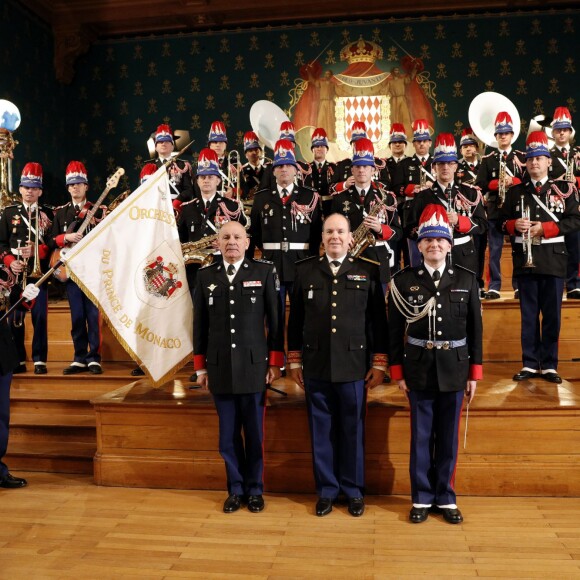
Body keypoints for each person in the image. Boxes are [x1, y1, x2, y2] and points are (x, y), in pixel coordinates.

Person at [287, 213, 387, 517]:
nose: (335, 237)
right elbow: (296, 323)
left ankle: (353, 490)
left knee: (352, 432)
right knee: (321, 431)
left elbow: (378, 323)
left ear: (350, 238)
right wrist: (294, 360)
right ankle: (327, 491)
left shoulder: (367, 271)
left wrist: (379, 363)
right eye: (329, 231)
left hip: (354, 367)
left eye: (340, 232)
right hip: (316, 365)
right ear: (322, 237)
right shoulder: (305, 272)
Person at [388, 204, 482, 525]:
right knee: (421, 436)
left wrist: (475, 373)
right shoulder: (403, 281)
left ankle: (446, 496)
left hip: (455, 368)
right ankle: (422, 497)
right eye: (428, 240)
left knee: (448, 437)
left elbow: (475, 330)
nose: (434, 246)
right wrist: (397, 371)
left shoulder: (466, 280)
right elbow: (393, 332)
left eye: (441, 240)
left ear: (450, 244)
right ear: (419, 245)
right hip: (418, 368)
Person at [193, 221, 284, 513]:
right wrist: (200, 368)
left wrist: (275, 362)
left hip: (254, 367)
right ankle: (235, 488)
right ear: (217, 244)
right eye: (226, 237)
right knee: (228, 435)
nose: (231, 242)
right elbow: (199, 326)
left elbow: (276, 321)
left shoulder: (264, 271)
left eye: (237, 237)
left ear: (247, 242)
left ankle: (255, 489)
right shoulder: (206, 276)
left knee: (254, 434)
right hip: (219, 368)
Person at [499, 131, 580, 384]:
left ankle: (550, 364)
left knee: (553, 315)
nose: (534, 163)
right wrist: (514, 225)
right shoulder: (515, 192)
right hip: (525, 260)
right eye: (531, 159)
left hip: (553, 260)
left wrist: (544, 229)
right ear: (526, 163)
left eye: (540, 158)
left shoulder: (565, 189)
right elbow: (500, 223)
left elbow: (575, 219)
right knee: (529, 314)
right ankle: (530, 363)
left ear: (548, 162)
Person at [49, 161, 106, 375]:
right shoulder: (60, 213)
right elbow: (50, 240)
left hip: (91, 271)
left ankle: (94, 358)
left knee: (93, 315)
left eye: (79, 184)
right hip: (71, 272)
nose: (76, 188)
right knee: (77, 316)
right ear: (68, 188)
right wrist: (65, 237)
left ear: (86, 186)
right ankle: (79, 357)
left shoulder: (98, 210)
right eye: (72, 185)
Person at [250, 139, 322, 307]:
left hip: (301, 263)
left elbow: (316, 232)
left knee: (300, 315)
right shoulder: (261, 198)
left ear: (296, 170)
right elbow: (255, 233)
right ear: (273, 171)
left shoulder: (309, 196)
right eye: (279, 166)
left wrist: (311, 262)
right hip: (270, 264)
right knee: (274, 317)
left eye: (288, 166)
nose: (284, 169)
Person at [406, 133, 487, 275]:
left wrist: (459, 221)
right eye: (441, 163)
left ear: (456, 166)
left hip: (463, 257)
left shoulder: (470, 193)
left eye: (450, 163)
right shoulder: (422, 196)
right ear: (434, 167)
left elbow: (482, 225)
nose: (445, 167)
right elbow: (409, 229)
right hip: (433, 257)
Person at [0, 162, 52, 374]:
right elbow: (1, 243)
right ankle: (19, 359)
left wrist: (37, 252)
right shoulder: (8, 212)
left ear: (40, 190)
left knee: (40, 316)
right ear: (20, 189)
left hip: (38, 275)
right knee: (15, 318)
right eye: (26, 187)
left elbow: (52, 244)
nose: (29, 191)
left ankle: (40, 360)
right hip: (15, 274)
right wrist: (10, 261)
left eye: (34, 188)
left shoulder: (48, 213)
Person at [329, 137, 402, 287]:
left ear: (373, 170)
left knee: (378, 308)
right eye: (358, 166)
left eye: (366, 166)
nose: (361, 170)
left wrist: (381, 228)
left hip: (378, 260)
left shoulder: (386, 197)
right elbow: (330, 230)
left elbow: (399, 232)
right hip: (350, 259)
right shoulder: (339, 199)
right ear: (352, 170)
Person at [475, 112, 525, 299]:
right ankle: (494, 285)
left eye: (506, 133)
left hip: (516, 209)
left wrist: (513, 180)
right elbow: (480, 184)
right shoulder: (488, 160)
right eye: (499, 134)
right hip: (496, 209)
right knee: (494, 250)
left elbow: (528, 181)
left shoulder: (521, 157)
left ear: (512, 135)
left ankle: (519, 285)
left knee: (518, 248)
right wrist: (498, 183)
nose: (503, 136)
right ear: (495, 137)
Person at [0, 262, 39, 488]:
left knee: (1, 416)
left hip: (1, 352)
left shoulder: (4, 270)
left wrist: (26, 296)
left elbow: (18, 303)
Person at [547, 107, 580, 299]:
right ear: (553, 133)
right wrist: (559, 180)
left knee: (575, 246)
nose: (561, 133)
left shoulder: (577, 153)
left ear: (570, 132)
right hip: (556, 207)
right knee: (557, 246)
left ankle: (574, 283)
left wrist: (574, 181)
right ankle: (559, 282)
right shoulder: (548, 155)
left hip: (575, 206)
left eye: (565, 130)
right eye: (558, 130)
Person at [394, 118, 434, 267]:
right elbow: (396, 187)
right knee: (410, 251)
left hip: (431, 210)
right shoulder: (405, 164)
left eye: (424, 141)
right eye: (418, 141)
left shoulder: (437, 163)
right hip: (410, 212)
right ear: (413, 144)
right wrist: (414, 188)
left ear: (430, 142)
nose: (421, 144)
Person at [456, 128, 486, 296]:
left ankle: (479, 281)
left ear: (477, 147)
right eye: (464, 146)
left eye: (471, 146)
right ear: (460, 150)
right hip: (465, 212)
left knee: (481, 248)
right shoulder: (456, 167)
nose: (468, 149)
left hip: (483, 211)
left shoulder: (485, 164)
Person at [385, 124, 409, 272]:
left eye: (400, 142)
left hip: (407, 208)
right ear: (390, 145)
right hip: (389, 208)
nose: (398, 144)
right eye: (394, 142)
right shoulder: (383, 164)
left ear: (405, 145)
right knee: (392, 244)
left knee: (407, 246)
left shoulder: (412, 163)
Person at [152, 124, 193, 210]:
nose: (163, 144)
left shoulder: (182, 165)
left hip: (176, 207)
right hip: (155, 208)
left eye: (167, 141)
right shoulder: (149, 167)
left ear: (173, 146)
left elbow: (189, 190)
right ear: (155, 147)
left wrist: (178, 201)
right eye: (160, 142)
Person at [303, 128, 336, 216]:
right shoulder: (306, 169)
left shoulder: (334, 168)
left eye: (322, 146)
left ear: (327, 149)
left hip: (330, 208)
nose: (319, 149)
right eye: (316, 146)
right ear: (312, 150)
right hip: (312, 209)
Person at [239, 131, 269, 204]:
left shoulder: (268, 170)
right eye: (250, 150)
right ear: (246, 155)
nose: (254, 153)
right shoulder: (241, 171)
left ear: (261, 152)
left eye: (256, 150)